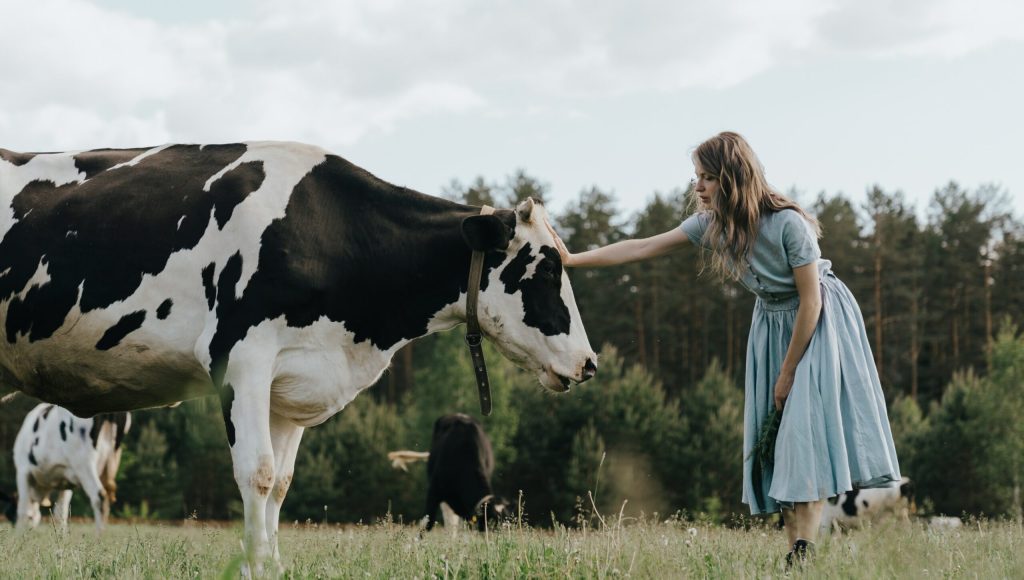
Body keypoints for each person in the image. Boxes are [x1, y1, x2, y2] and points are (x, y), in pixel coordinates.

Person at [553, 131, 900, 564]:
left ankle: (804, 551)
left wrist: (789, 372)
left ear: (733, 178)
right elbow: (643, 246)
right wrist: (572, 259)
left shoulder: (789, 223)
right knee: (776, 442)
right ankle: (796, 553)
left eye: (707, 178)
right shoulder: (713, 227)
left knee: (801, 436)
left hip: (816, 324)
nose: (697, 187)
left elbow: (811, 300)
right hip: (770, 324)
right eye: (696, 177)